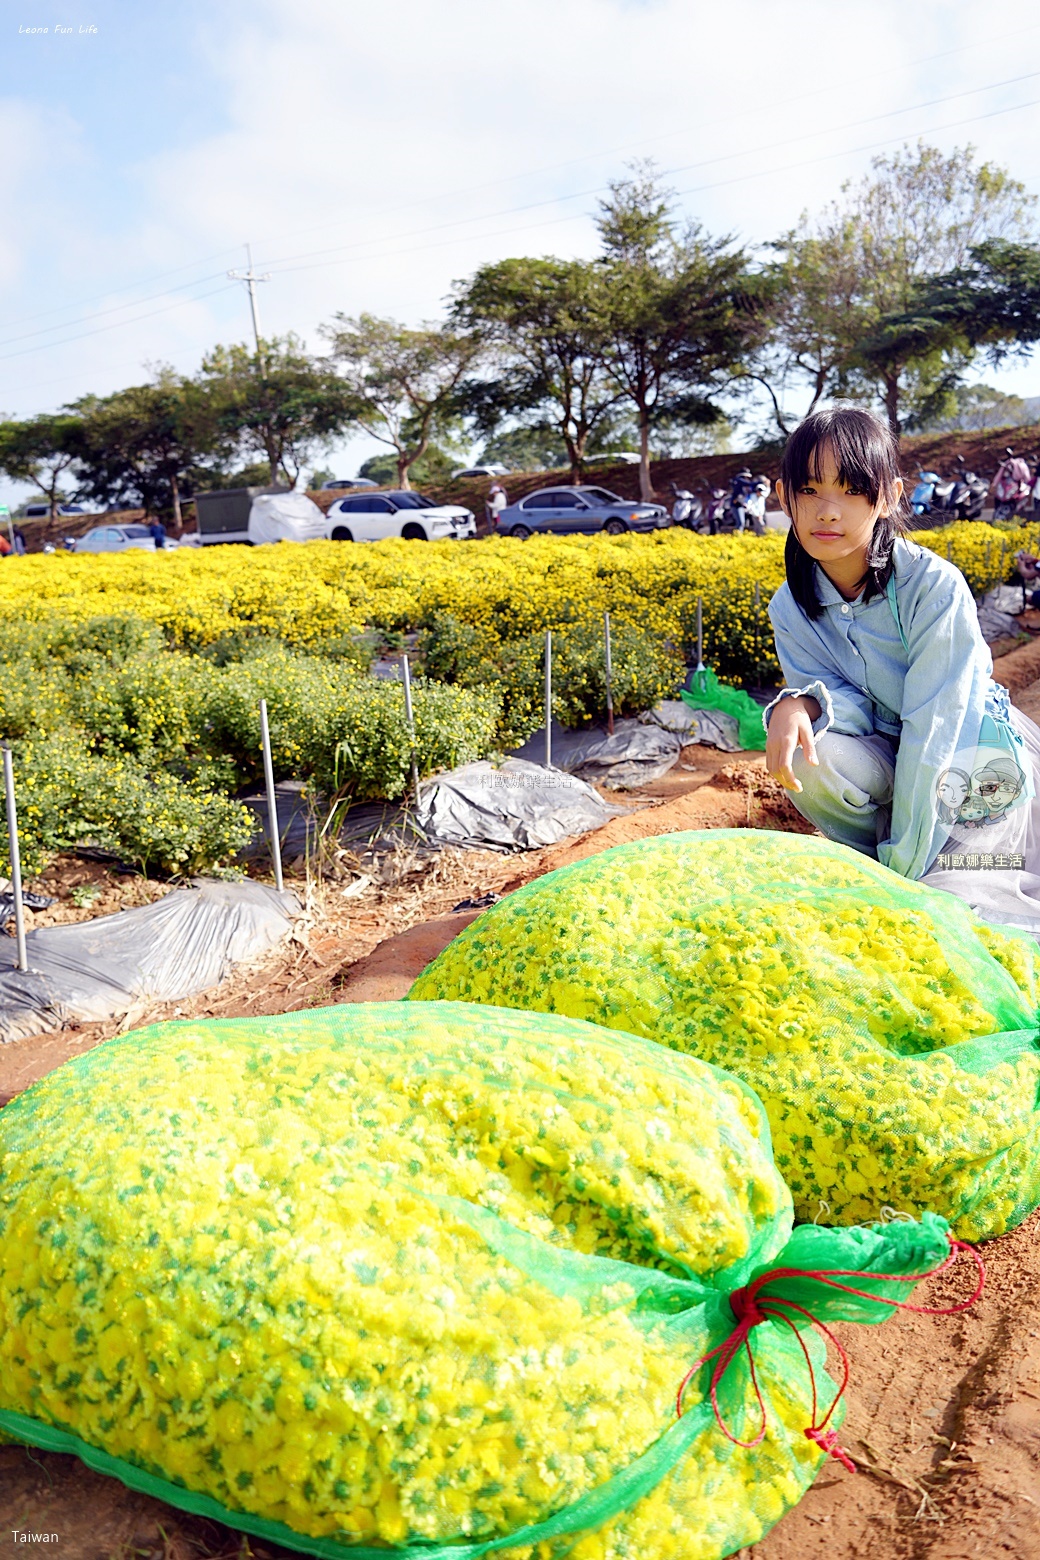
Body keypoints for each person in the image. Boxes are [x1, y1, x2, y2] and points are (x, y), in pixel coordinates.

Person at [764, 404, 1040, 936]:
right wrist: (803, 702)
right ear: (784, 496)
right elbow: (851, 703)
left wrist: (902, 878)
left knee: (956, 905)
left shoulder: (931, 587)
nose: (827, 511)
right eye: (811, 491)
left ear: (888, 496)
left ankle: (904, 861)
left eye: (850, 490)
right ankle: (875, 857)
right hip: (891, 750)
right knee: (805, 746)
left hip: (970, 760)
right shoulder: (792, 605)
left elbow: (937, 725)